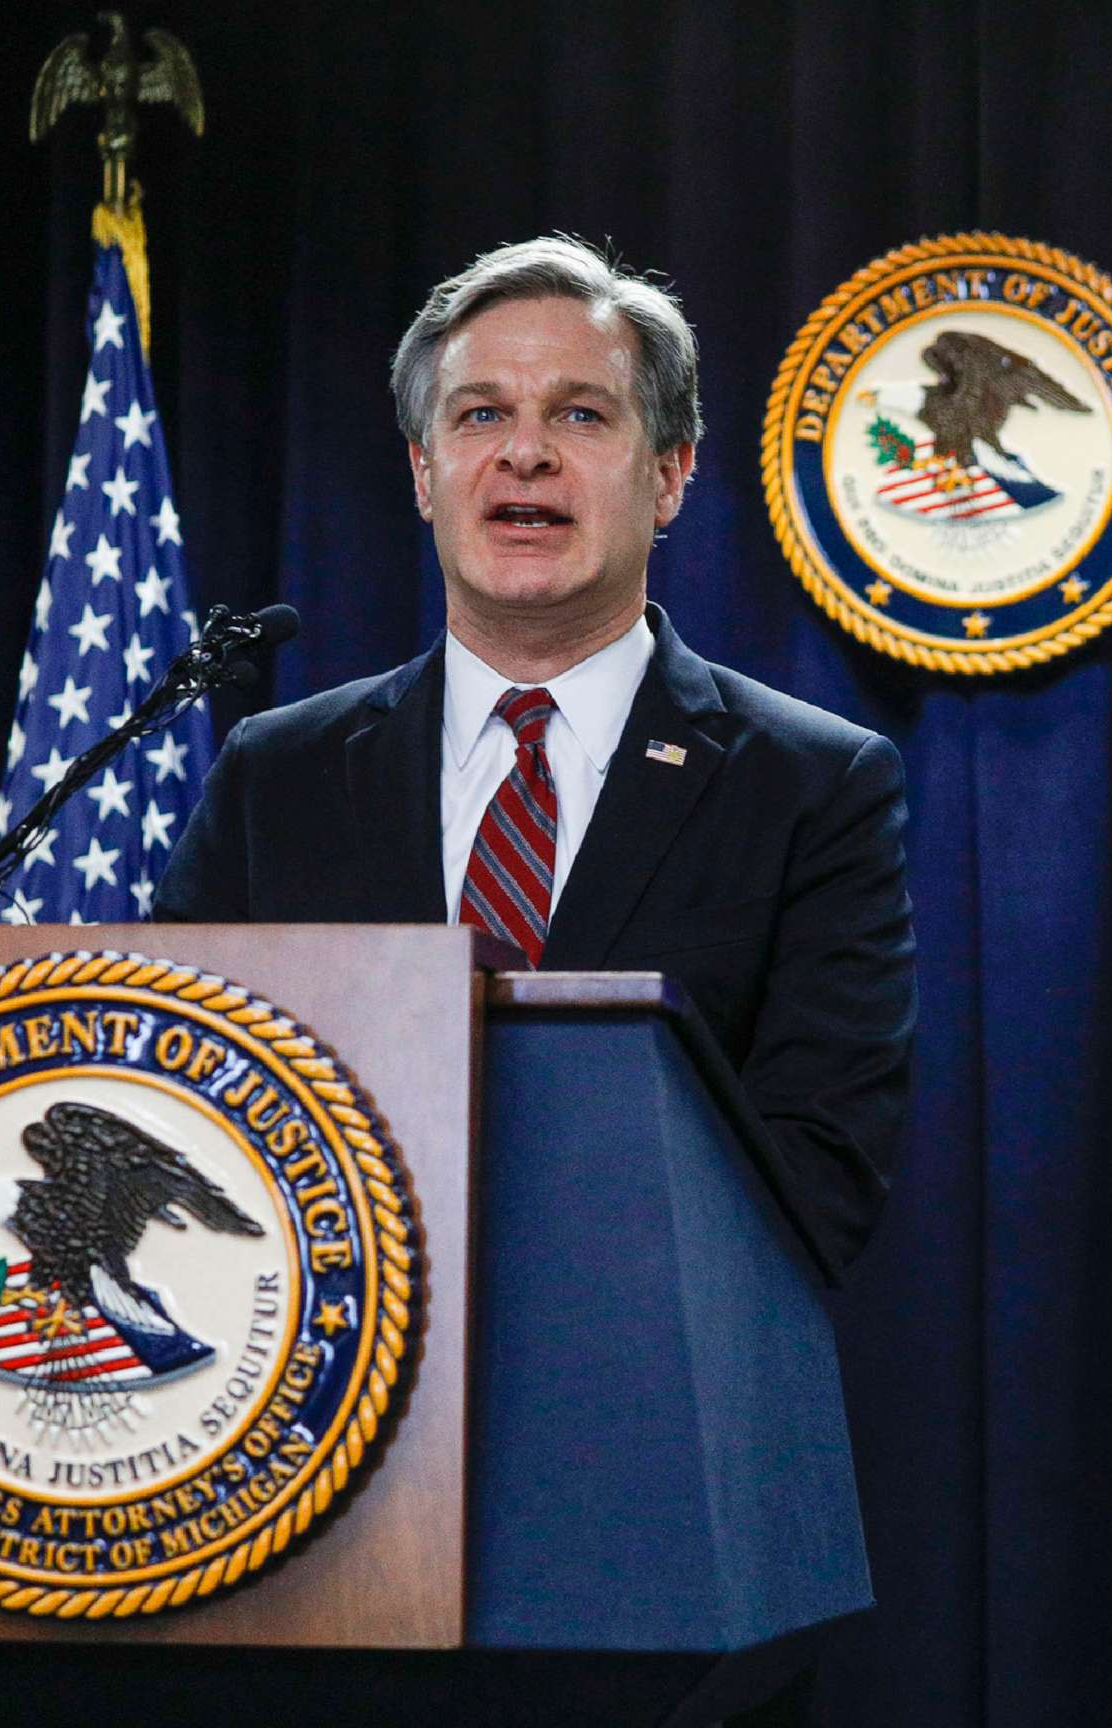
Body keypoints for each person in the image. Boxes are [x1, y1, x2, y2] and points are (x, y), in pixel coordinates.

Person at [160, 236, 915, 1725]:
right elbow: (184, 1102)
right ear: (424, 471)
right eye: (480, 417)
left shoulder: (812, 786)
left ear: (673, 471)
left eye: (582, 415)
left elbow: (822, 1166)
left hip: (648, 1535)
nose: (525, 455)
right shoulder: (281, 773)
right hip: (300, 1519)